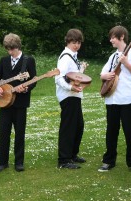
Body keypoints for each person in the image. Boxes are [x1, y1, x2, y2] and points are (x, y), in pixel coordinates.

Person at [98, 26, 131, 174]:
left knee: (130, 131)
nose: (111, 40)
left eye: (113, 37)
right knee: (111, 130)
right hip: (112, 99)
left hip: (128, 98)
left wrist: (126, 63)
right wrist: (105, 76)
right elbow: (102, 74)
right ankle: (109, 160)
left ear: (122, 36)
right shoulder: (112, 56)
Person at [0, 33, 36, 172]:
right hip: (5, 103)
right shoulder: (4, 60)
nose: (10, 52)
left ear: (18, 46)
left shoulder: (28, 60)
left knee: (19, 133)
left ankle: (19, 162)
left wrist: (26, 88)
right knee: (3, 132)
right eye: (8, 49)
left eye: (12, 49)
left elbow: (33, 80)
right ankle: (2, 162)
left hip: (20, 103)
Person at [55, 28, 86, 169]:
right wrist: (71, 88)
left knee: (78, 125)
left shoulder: (73, 56)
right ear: (68, 41)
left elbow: (74, 77)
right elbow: (58, 78)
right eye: (74, 42)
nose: (77, 45)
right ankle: (64, 159)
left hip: (74, 95)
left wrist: (82, 70)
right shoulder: (66, 57)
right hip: (68, 96)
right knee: (68, 127)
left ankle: (72, 154)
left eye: (79, 42)